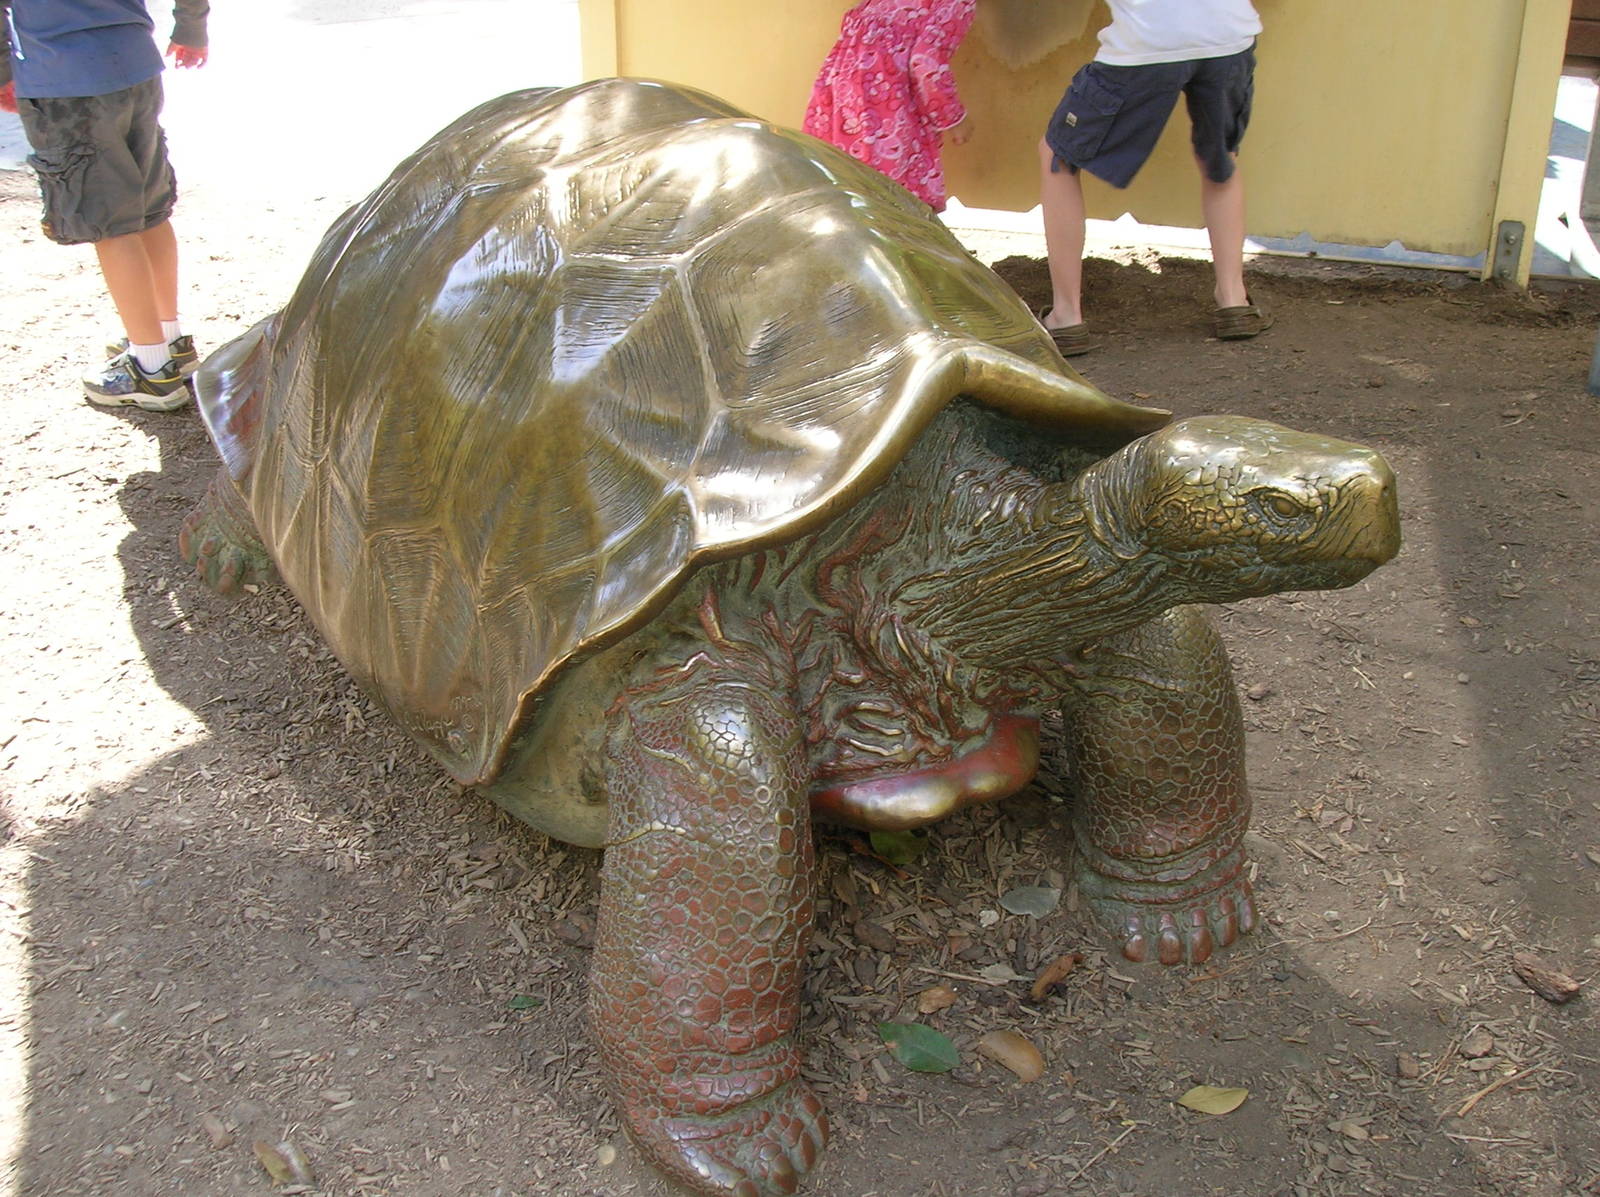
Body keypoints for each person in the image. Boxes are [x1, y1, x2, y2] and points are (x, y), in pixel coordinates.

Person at [0, 0, 210, 411]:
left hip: (63, 78)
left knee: (111, 225)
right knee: (150, 210)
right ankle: (169, 341)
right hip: (135, 64)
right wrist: (191, 27)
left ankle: (151, 370)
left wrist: (4, 70)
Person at [1037, 0, 1270, 356]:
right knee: (1220, 160)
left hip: (1150, 40)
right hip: (1230, 35)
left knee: (1058, 157)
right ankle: (1234, 300)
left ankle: (1066, 317)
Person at [804, 0, 975, 213]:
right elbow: (925, 60)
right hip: (887, 107)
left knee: (841, 192)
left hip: (839, 100)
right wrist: (952, 116)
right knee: (893, 203)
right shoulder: (954, 4)